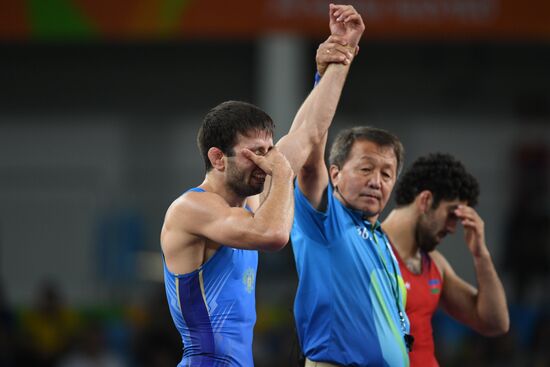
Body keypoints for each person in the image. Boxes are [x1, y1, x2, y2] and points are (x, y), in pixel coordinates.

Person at [160, 4, 362, 365]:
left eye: (270, 150)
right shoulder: (190, 209)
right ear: (219, 158)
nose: (268, 160)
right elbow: (273, 235)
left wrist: (337, 61)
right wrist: (284, 172)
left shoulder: (250, 205)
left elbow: (309, 133)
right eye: (256, 152)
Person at [292, 22, 411, 366]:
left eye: (387, 173)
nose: (377, 180)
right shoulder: (325, 217)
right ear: (335, 174)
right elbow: (310, 146)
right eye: (365, 168)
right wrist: (331, 71)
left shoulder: (382, 241)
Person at [381, 153, 510, 367]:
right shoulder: (369, 252)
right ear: (426, 200)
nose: (452, 228)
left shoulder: (434, 264)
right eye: (451, 215)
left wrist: (481, 255)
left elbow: (495, 323)